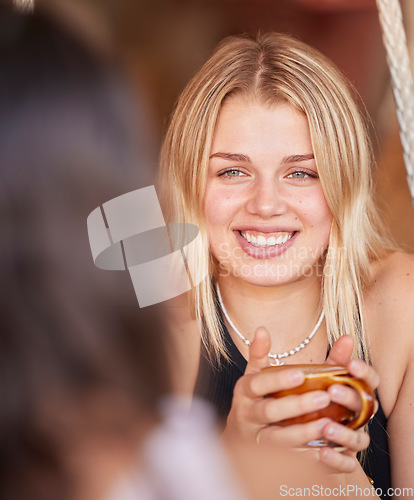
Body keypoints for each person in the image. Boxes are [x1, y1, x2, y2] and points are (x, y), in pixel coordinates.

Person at [159, 31, 414, 496]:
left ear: (343, 185)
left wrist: (340, 482)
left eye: (301, 173)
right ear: (192, 183)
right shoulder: (157, 334)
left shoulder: (401, 304)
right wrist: (232, 460)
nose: (266, 204)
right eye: (232, 171)